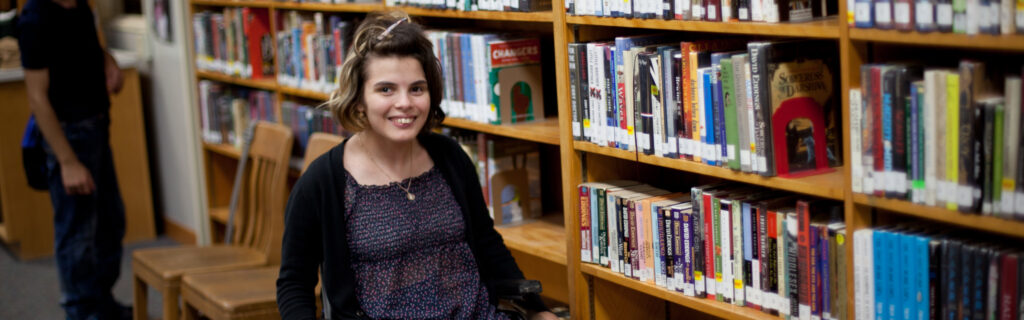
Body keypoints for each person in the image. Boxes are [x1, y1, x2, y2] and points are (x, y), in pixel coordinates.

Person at [276, 11, 558, 320]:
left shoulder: (450, 156)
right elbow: (294, 285)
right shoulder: (322, 182)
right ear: (358, 100)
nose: (405, 103)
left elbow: (489, 245)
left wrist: (537, 312)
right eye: (386, 89)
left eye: (416, 88)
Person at [17, 0, 128, 319]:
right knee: (77, 233)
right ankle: (80, 310)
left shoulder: (80, 7)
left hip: (97, 126)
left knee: (110, 221)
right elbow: (37, 97)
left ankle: (100, 303)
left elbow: (89, 49)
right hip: (68, 137)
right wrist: (67, 161)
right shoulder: (36, 18)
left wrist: (108, 63)